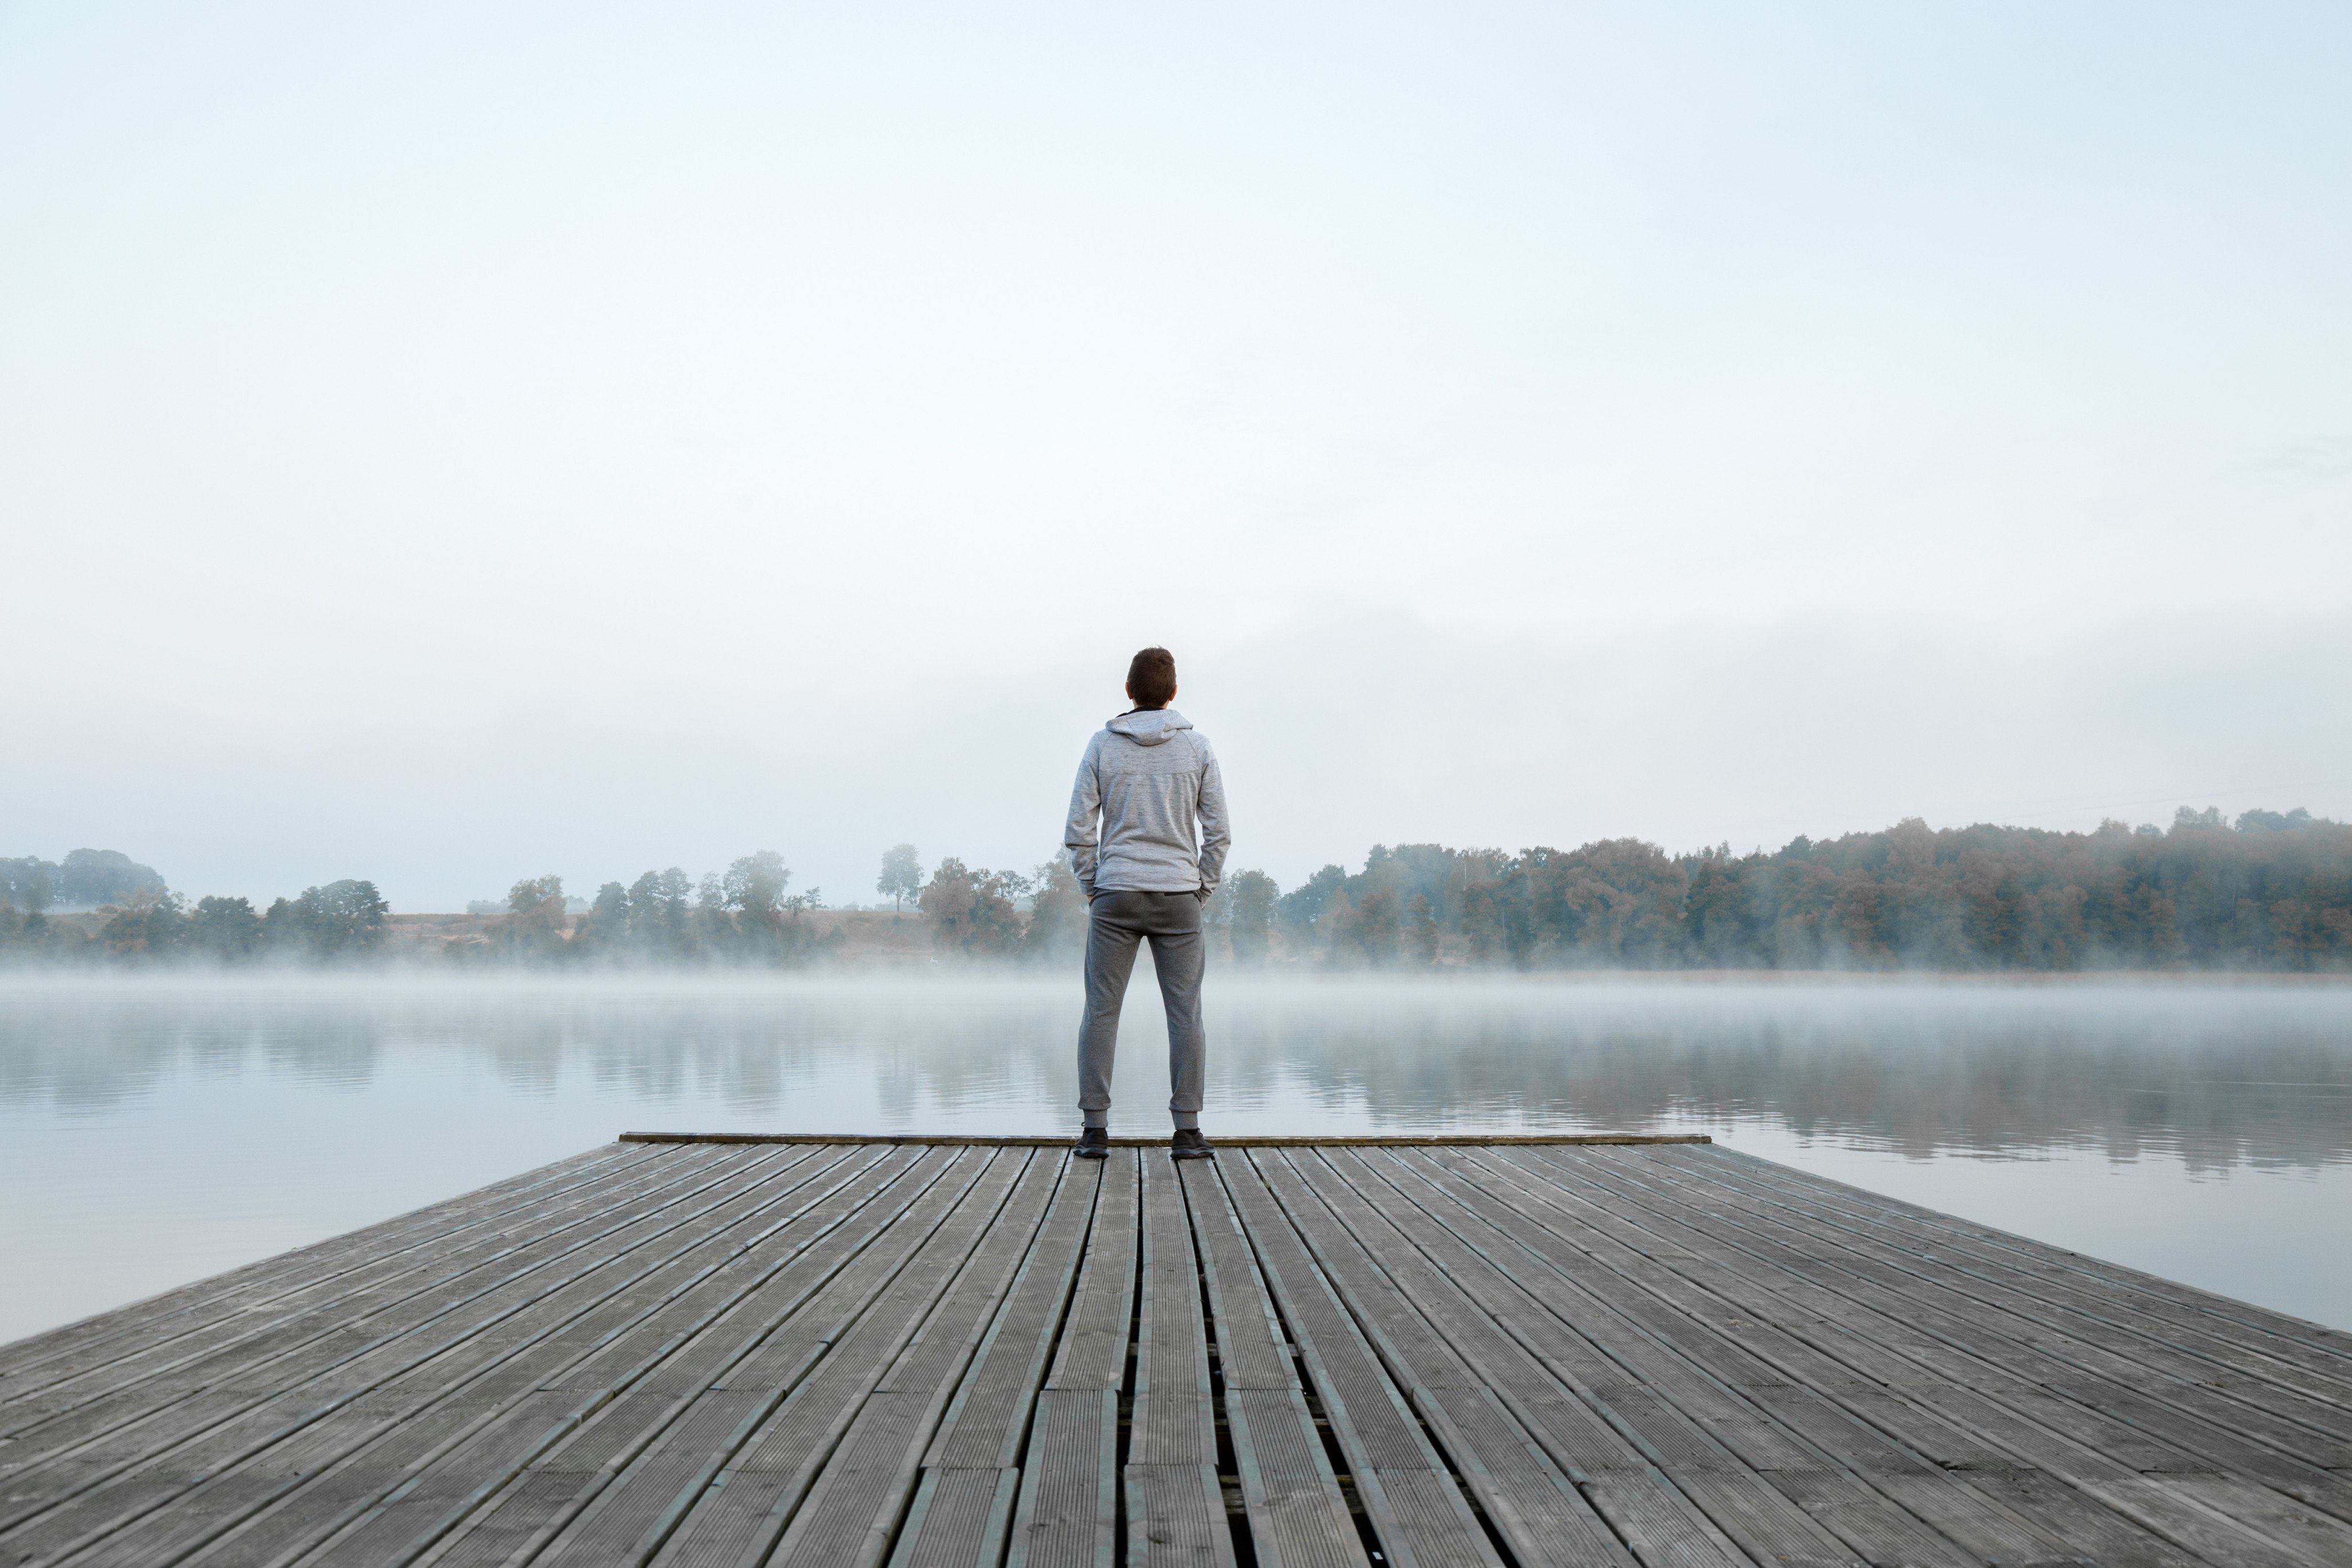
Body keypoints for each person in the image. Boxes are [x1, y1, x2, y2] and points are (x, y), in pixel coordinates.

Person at [1063, 646, 1229, 1159]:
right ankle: (1187, 1132)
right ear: (1173, 693)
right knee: (1185, 1015)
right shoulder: (1197, 748)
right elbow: (1218, 832)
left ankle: (1094, 1132)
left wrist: (1095, 885)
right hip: (1178, 897)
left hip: (1115, 894)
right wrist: (1201, 888)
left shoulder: (1101, 746)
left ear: (1129, 692)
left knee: (1101, 1011)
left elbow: (1078, 830)